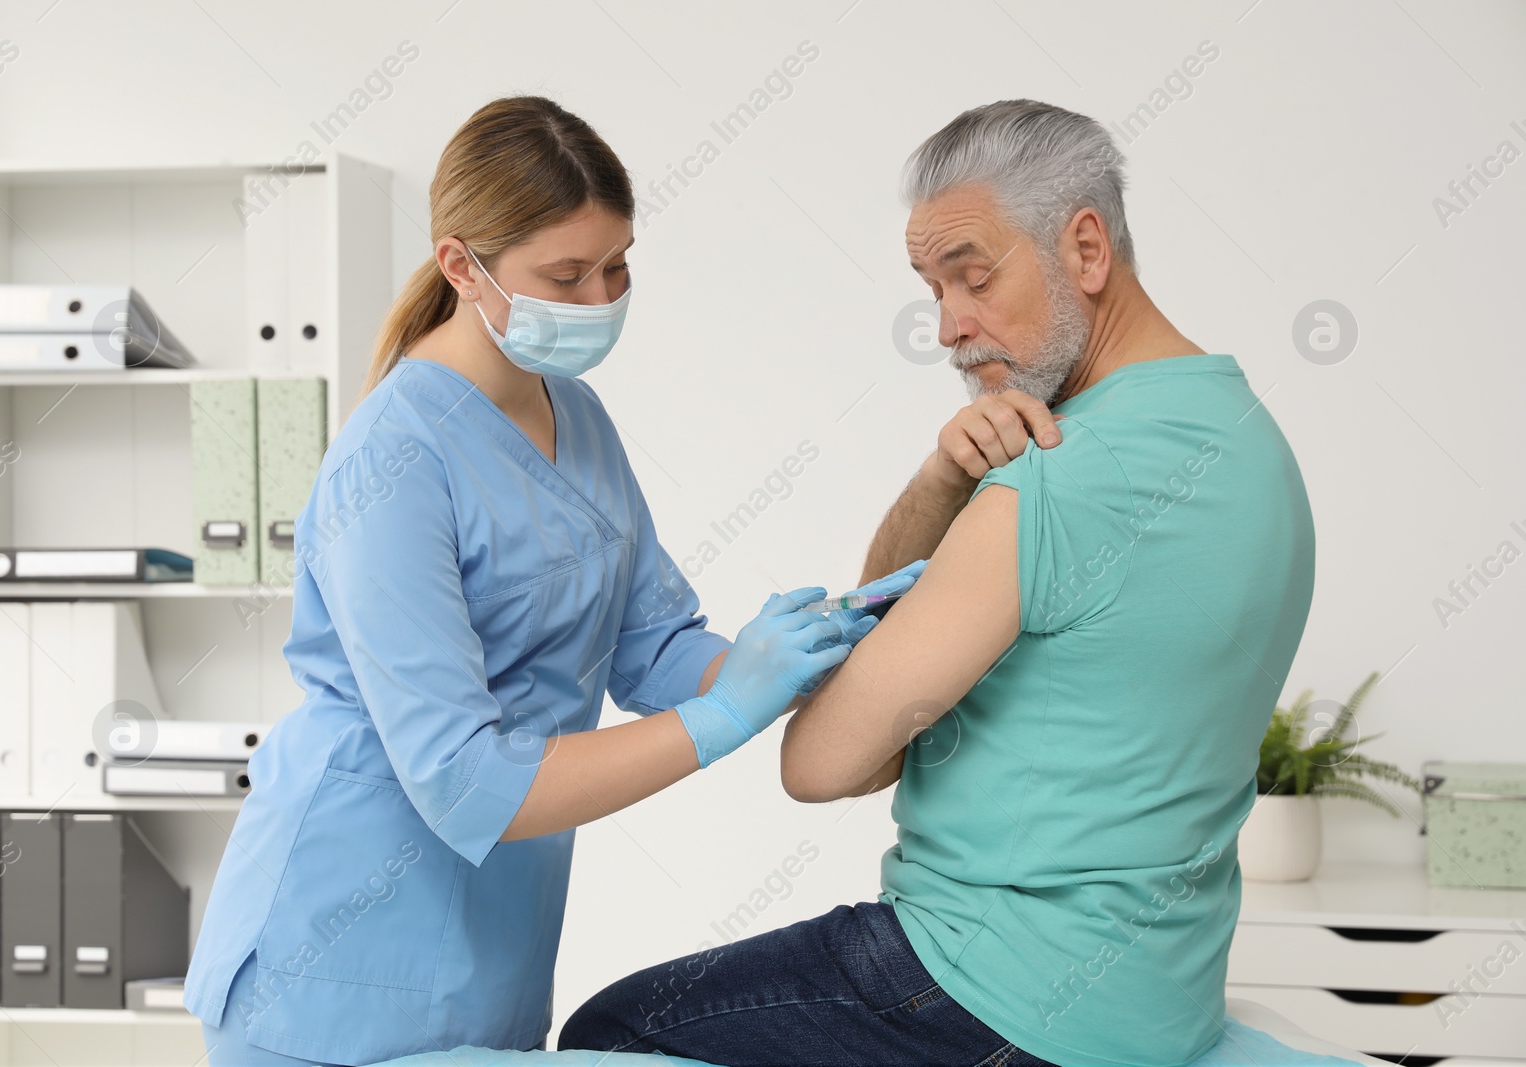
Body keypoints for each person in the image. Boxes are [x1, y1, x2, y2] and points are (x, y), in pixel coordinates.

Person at [560, 99, 1315, 1067]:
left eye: (973, 276)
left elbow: (827, 764)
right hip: (1160, 1001)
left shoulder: (1054, 479)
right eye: (933, 289)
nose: (950, 328)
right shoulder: (1252, 442)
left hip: (983, 990)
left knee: (607, 1031)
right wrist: (940, 482)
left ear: (1086, 248)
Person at [183, 95, 916, 1067]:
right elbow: (465, 777)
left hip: (490, 946)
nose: (599, 296)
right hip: (330, 957)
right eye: (565, 275)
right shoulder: (391, 462)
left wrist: (790, 659)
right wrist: (724, 717)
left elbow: (646, 641)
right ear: (461, 266)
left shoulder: (579, 417)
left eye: (615, 266)